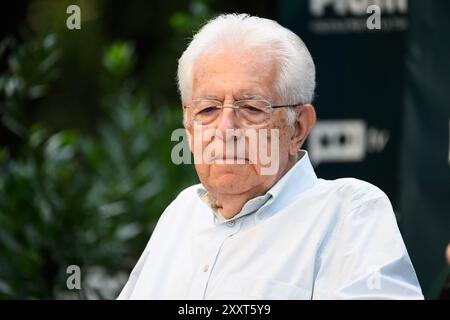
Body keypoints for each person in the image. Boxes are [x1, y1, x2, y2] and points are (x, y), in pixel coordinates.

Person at [118, 14, 423, 299]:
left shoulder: (350, 212)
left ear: (297, 128)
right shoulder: (181, 212)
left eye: (251, 108)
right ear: (188, 127)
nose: (226, 129)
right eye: (208, 110)